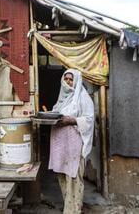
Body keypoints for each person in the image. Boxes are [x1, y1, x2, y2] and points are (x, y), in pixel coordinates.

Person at [48, 69, 94, 214]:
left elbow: (89, 119)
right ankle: (69, 207)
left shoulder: (83, 98)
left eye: (71, 79)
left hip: (74, 146)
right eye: (66, 79)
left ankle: (75, 209)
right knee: (62, 175)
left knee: (74, 177)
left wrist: (72, 120)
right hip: (61, 146)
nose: (68, 82)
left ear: (77, 81)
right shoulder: (62, 98)